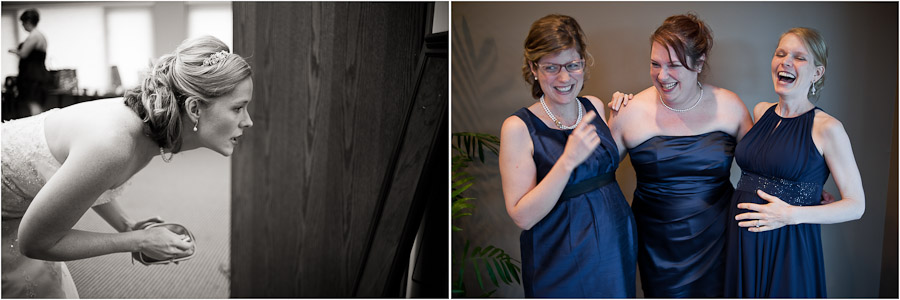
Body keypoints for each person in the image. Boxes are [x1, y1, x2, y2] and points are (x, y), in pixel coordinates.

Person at [1, 35, 254, 298]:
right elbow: (34, 242)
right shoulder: (116, 143)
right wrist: (138, 240)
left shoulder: (146, 130)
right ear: (194, 108)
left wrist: (127, 224)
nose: (248, 121)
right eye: (238, 108)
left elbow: (82, 179)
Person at [605, 13, 753, 297]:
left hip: (719, 241)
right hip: (659, 251)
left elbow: (762, 166)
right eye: (655, 64)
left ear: (699, 63)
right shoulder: (630, 111)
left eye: (674, 65)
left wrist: (805, 192)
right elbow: (595, 174)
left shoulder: (730, 106)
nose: (662, 76)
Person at [498, 14, 636, 297]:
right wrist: (567, 161)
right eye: (551, 67)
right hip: (559, 254)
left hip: (614, 242)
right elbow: (522, 217)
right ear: (533, 68)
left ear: (584, 64)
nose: (564, 78)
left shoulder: (594, 106)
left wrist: (621, 122)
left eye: (573, 65)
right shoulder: (518, 127)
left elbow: (598, 171)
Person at [723, 27, 864, 297]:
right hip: (742, 239)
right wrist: (807, 188)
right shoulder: (761, 111)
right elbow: (771, 164)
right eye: (781, 53)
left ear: (817, 73)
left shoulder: (827, 128)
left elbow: (856, 206)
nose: (786, 61)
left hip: (788, 244)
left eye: (799, 57)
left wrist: (791, 213)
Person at [8, 8, 51, 116]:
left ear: (27, 22)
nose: (22, 26)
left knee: (34, 105)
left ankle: (36, 130)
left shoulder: (34, 36)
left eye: (23, 23)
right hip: (37, 74)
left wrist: (13, 51)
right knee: (37, 106)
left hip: (33, 76)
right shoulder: (40, 36)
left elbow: (24, 53)